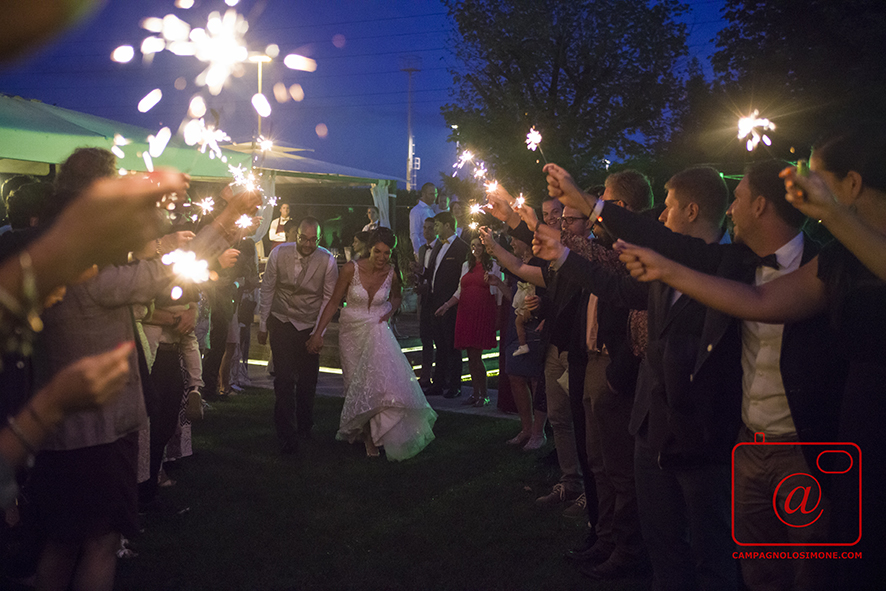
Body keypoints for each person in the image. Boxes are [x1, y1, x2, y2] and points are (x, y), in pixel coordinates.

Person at [616, 129, 886, 590]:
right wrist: (667, 269)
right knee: (760, 572)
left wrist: (830, 214)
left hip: (821, 449)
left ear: (853, 184)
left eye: (816, 179)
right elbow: (758, 301)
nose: (800, 188)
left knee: (817, 573)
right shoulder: (838, 261)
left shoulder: (832, 254)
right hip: (757, 447)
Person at [307, 228, 437, 460]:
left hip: (377, 331)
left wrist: (389, 310)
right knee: (355, 381)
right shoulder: (350, 269)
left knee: (379, 383)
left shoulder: (391, 274)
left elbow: (396, 297)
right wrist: (319, 333)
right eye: (378, 251)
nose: (382, 257)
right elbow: (334, 301)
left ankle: (373, 436)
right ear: (370, 248)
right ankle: (364, 430)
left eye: (387, 253)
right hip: (351, 333)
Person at [258, 217, 338, 454]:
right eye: (304, 239)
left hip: (309, 324)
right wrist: (263, 323)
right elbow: (268, 288)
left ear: (319, 239)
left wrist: (318, 333)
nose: (307, 244)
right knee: (283, 377)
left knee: (307, 381)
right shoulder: (279, 254)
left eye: (313, 240)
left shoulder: (327, 260)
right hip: (281, 320)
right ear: (296, 236)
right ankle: (285, 432)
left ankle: (304, 426)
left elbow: (328, 299)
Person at [436, 236, 503, 407]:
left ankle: (484, 394)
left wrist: (499, 315)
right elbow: (459, 291)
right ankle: (475, 392)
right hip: (465, 312)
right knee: (470, 356)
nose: (476, 248)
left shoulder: (492, 265)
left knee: (477, 355)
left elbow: (499, 293)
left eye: (479, 245)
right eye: (473, 245)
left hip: (482, 312)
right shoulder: (466, 265)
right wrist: (446, 305)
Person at [423, 211, 470, 398]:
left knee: (452, 345)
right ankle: (438, 382)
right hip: (434, 301)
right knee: (439, 344)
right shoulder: (437, 247)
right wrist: (421, 273)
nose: (434, 229)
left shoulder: (461, 247)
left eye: (437, 225)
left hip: (451, 303)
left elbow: (462, 276)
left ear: (448, 225)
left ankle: (454, 384)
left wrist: (452, 301)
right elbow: (434, 272)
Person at [414, 217, 438, 388]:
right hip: (424, 300)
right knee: (425, 339)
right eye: (424, 228)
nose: (427, 231)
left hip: (436, 299)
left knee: (437, 339)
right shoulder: (422, 249)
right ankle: (425, 375)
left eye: (430, 228)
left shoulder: (441, 247)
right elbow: (424, 273)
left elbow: (437, 275)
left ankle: (437, 376)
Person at [409, 183, 437, 260]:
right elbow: (414, 234)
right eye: (431, 194)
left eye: (435, 194)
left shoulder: (431, 209)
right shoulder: (417, 211)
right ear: (423, 194)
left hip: (432, 251)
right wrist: (419, 254)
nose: (434, 197)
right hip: (424, 252)